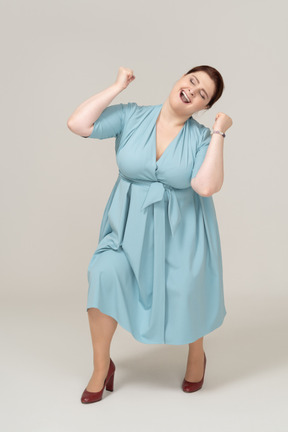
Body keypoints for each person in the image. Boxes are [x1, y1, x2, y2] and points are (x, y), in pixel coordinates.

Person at [67, 65, 233, 403]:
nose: (192, 91)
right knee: (103, 274)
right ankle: (102, 368)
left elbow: (205, 186)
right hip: (127, 229)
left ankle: (196, 354)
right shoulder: (132, 117)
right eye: (192, 81)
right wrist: (116, 87)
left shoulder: (200, 138)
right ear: (179, 80)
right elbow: (78, 124)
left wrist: (218, 133)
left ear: (204, 107)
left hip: (181, 234)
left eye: (203, 94)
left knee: (188, 289)